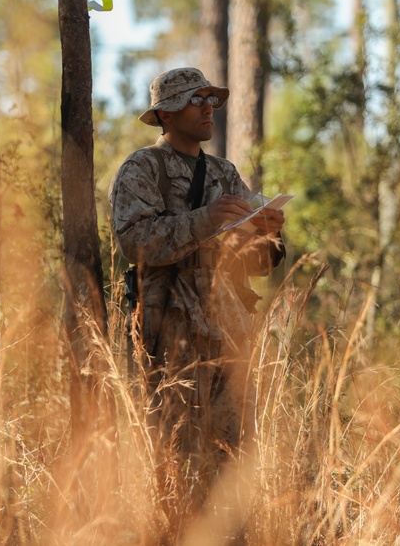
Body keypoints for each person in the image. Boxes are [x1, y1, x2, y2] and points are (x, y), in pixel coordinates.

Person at [109, 67, 286, 536]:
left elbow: (257, 265)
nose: (208, 107)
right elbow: (137, 243)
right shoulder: (142, 169)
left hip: (229, 334)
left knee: (233, 459)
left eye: (212, 98)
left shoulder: (225, 173)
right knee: (175, 460)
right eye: (195, 99)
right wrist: (206, 220)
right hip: (168, 336)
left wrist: (268, 234)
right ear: (166, 113)